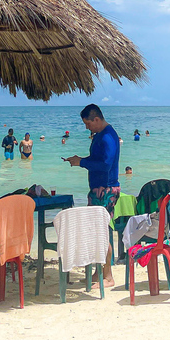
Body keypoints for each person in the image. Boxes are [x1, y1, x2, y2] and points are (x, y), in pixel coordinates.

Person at [63, 104, 120, 287]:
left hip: (106, 189)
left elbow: (105, 165)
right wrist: (81, 161)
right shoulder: (101, 136)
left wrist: (82, 162)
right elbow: (97, 161)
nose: (87, 127)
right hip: (98, 189)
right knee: (97, 232)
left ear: (96, 119)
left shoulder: (108, 136)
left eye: (88, 123)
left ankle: (108, 276)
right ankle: (98, 272)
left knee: (101, 232)